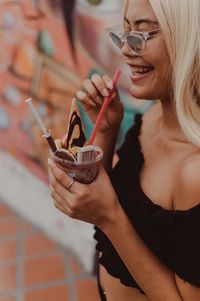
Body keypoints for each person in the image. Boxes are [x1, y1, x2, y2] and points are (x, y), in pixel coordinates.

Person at [48, 0, 200, 300]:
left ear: (187, 38)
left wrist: (109, 218)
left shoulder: (193, 173)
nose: (127, 50)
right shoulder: (153, 114)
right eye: (125, 31)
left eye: (143, 34)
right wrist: (105, 129)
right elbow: (113, 192)